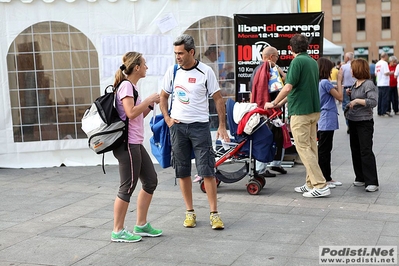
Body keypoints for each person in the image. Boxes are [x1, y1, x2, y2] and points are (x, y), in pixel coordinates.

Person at [159, 34, 230, 229]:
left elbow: (218, 99)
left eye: (180, 53)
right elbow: (163, 96)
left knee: (207, 170)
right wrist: (167, 118)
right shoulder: (173, 71)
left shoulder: (205, 72)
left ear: (191, 52)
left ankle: (214, 213)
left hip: (200, 127)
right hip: (178, 127)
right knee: (182, 171)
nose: (177, 57)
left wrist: (222, 125)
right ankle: (189, 212)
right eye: (175, 53)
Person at [264, 34, 331, 198]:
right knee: (311, 148)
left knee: (303, 149)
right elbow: (297, 87)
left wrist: (273, 103)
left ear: (290, 48)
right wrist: (280, 103)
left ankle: (320, 184)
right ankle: (310, 183)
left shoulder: (297, 61)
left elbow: (288, 87)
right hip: (313, 110)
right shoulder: (312, 62)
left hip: (301, 111)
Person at [111, 52, 163, 242]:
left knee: (150, 181)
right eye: (145, 64)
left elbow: (136, 116)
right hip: (127, 145)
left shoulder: (131, 87)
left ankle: (141, 225)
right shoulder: (126, 86)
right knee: (127, 187)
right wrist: (148, 100)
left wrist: (149, 106)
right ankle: (118, 230)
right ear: (137, 67)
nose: (147, 67)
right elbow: (131, 113)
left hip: (134, 143)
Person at [249, 46, 287, 177]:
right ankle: (261, 168)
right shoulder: (268, 69)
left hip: (266, 107)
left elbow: (252, 91)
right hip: (268, 108)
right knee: (265, 137)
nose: (278, 58)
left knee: (277, 135)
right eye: (277, 56)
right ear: (271, 57)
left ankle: (275, 164)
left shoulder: (257, 70)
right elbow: (282, 86)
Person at [345, 58, 379, 192]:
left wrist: (357, 100)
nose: (351, 71)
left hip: (364, 121)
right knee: (355, 149)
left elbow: (373, 101)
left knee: (365, 150)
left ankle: (372, 181)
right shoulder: (355, 84)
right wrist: (350, 94)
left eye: (352, 68)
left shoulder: (368, 84)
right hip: (353, 120)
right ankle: (360, 177)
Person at [316, 57, 343, 189]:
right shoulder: (325, 83)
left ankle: (326, 177)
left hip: (321, 118)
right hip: (326, 118)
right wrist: (339, 80)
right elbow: (340, 97)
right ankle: (325, 178)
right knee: (325, 150)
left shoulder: (317, 82)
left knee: (323, 149)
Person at [337, 52, 356, 133]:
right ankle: (355, 124)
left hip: (346, 87)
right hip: (356, 87)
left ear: (347, 58)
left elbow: (340, 79)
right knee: (355, 105)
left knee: (346, 106)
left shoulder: (343, 67)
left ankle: (349, 124)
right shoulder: (356, 65)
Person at [375, 52, 392, 117]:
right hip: (384, 82)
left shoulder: (377, 63)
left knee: (380, 97)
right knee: (385, 97)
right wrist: (391, 73)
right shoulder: (384, 63)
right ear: (385, 56)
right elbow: (386, 73)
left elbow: (376, 73)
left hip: (379, 82)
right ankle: (384, 111)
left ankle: (379, 111)